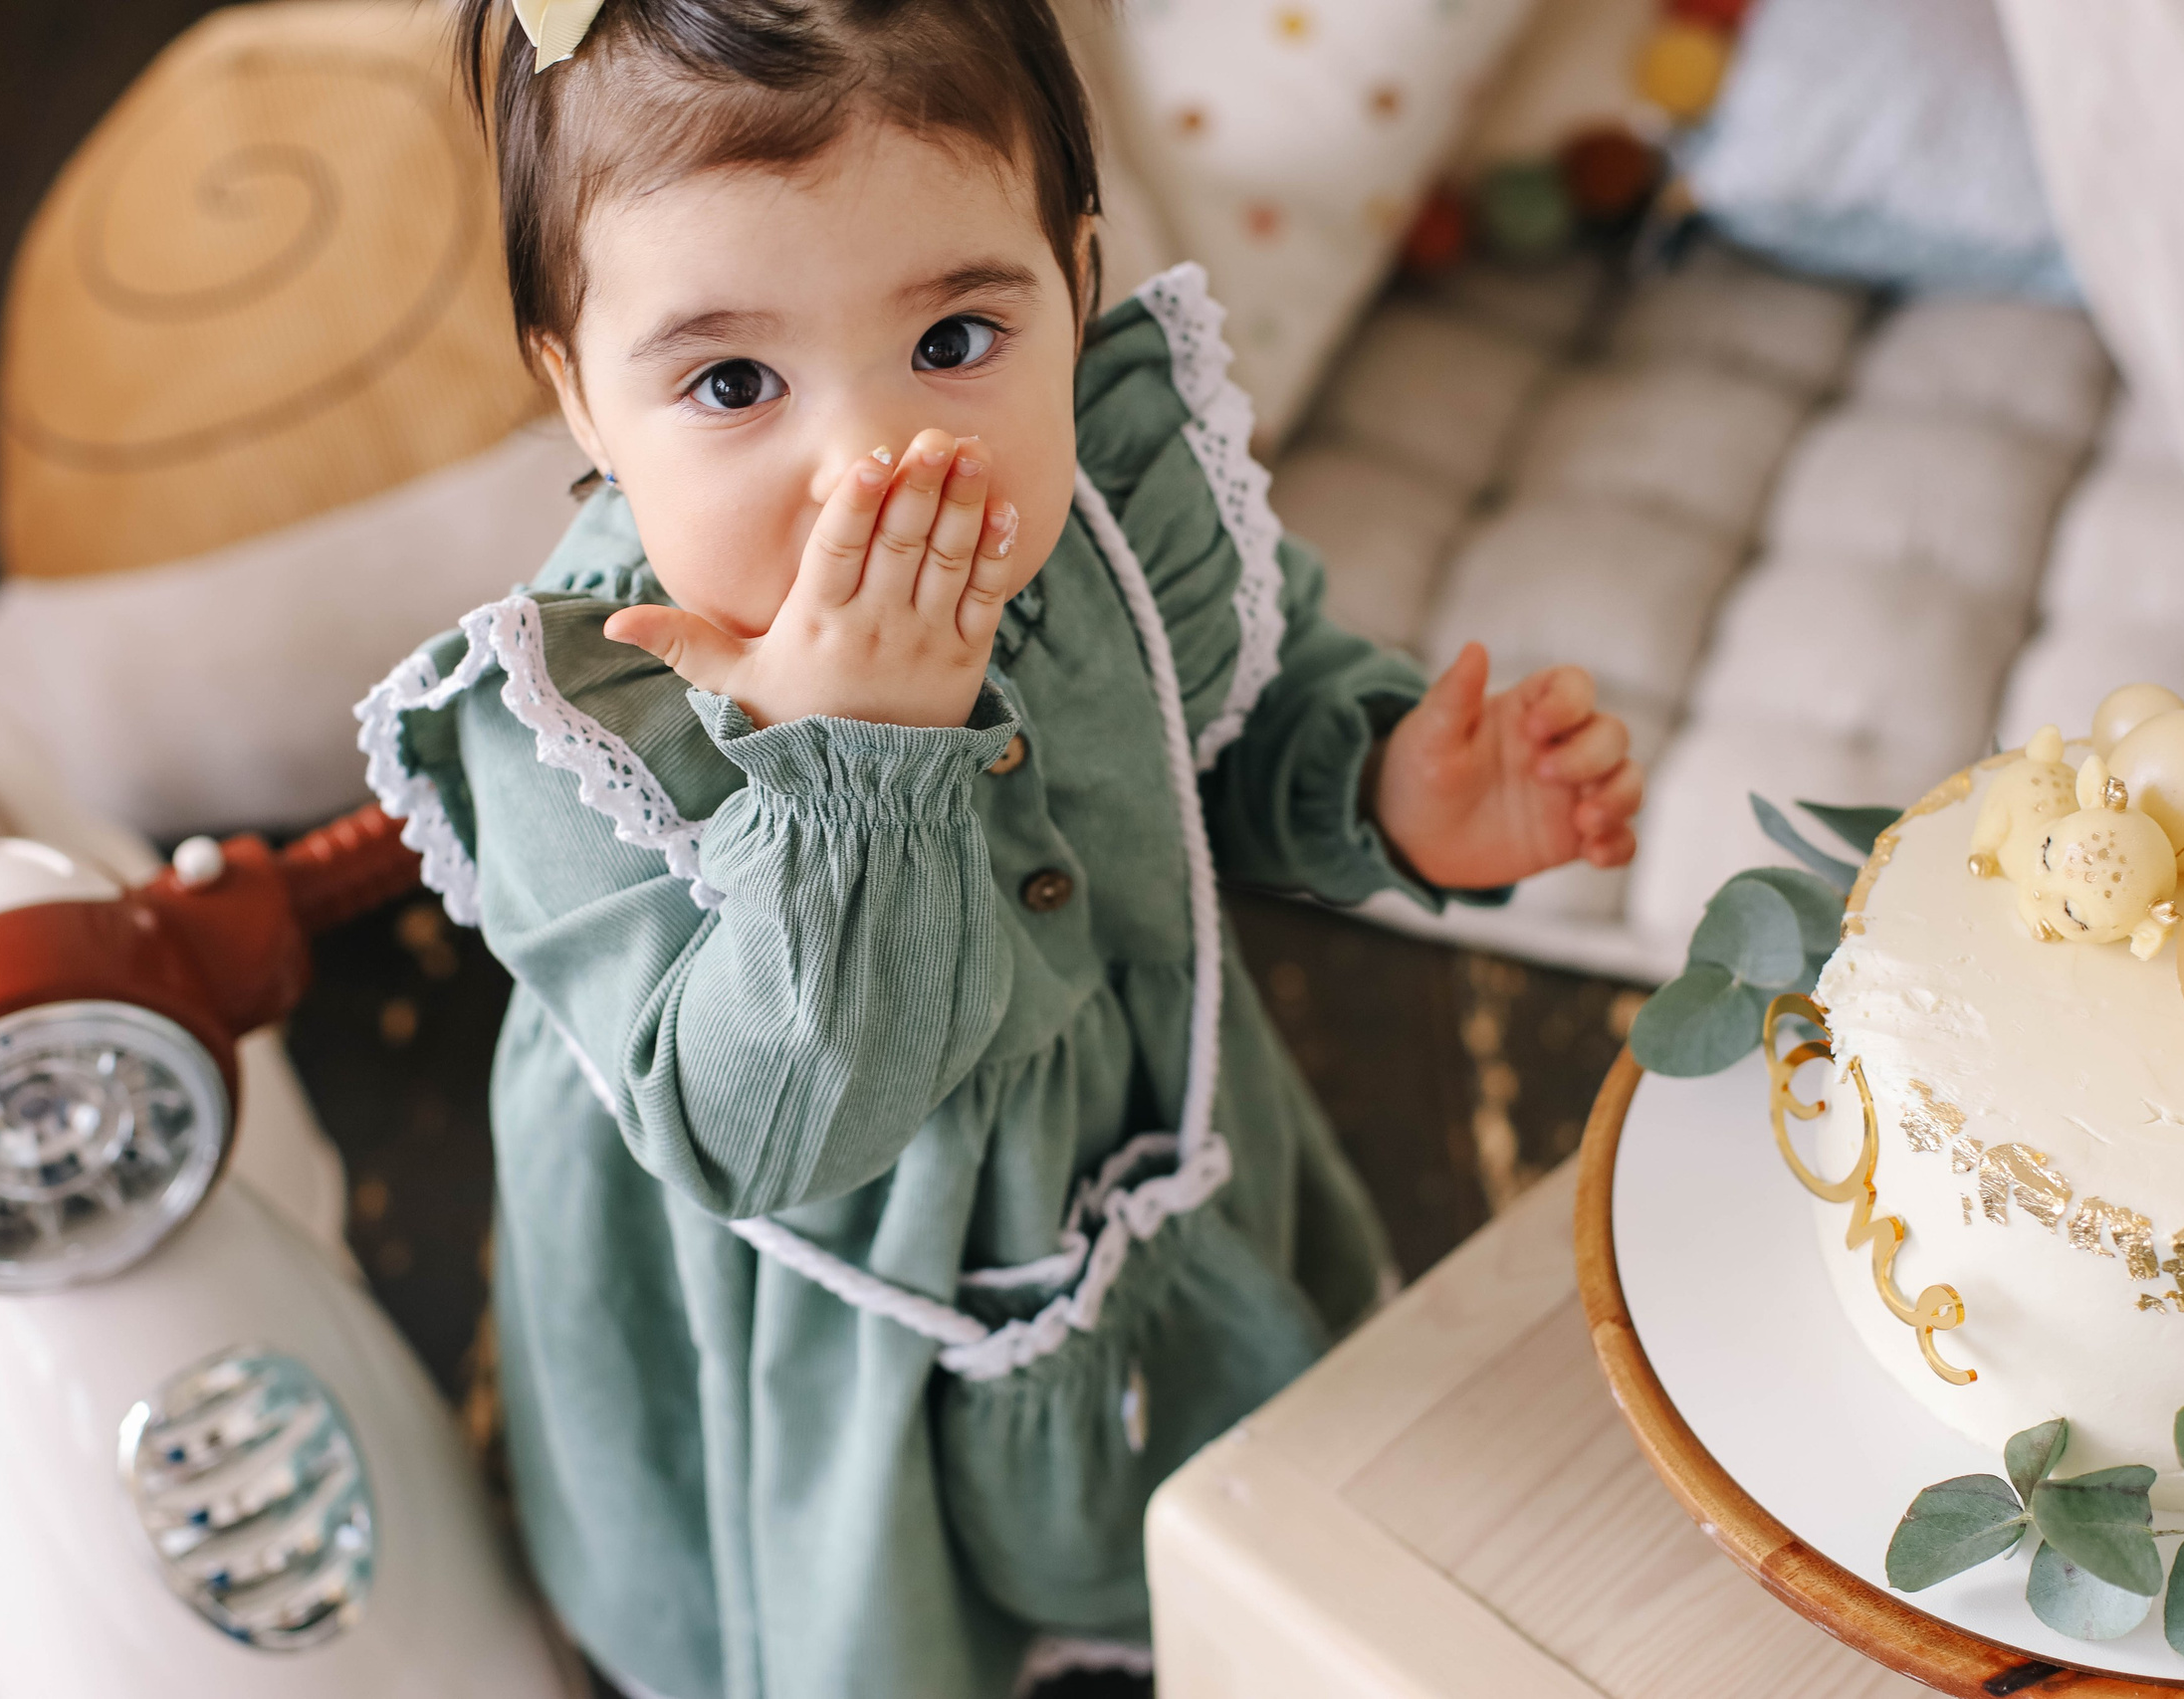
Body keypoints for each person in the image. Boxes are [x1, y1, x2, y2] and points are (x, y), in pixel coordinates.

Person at [358, 2, 1643, 1693]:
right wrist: (862, 767)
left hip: (1134, 1145)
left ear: (1075, 283)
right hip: (816, 1311)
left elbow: (1231, 731)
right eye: (733, 382)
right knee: (873, 1621)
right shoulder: (574, 732)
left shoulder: (1105, 502)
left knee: (1249, 1545)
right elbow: (774, 1134)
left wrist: (1395, 788)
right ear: (579, 394)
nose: (870, 468)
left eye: (957, 338)